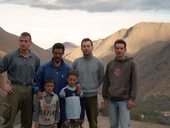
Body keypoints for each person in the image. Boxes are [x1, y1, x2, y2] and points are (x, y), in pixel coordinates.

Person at [0, 32, 40, 128]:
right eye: (21, 41)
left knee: (27, 120)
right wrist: (3, 86)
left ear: (30, 43)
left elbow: (37, 75)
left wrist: (37, 90)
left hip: (29, 90)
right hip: (14, 89)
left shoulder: (35, 58)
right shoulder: (10, 56)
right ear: (19, 42)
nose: (23, 43)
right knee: (8, 118)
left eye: (26, 41)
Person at [33, 43, 71, 128]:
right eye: (55, 53)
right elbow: (35, 82)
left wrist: (78, 84)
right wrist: (37, 91)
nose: (57, 55)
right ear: (52, 52)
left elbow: (73, 81)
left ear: (63, 53)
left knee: (62, 124)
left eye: (60, 53)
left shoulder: (68, 69)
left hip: (63, 103)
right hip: (47, 104)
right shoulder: (44, 67)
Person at [102, 39, 137, 128]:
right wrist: (105, 97)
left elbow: (134, 82)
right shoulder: (110, 64)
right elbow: (106, 81)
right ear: (114, 49)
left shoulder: (131, 64)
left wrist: (132, 99)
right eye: (117, 48)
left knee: (125, 125)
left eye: (121, 48)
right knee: (113, 125)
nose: (119, 50)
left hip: (124, 100)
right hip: (111, 100)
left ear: (125, 49)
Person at [72, 38, 104, 128]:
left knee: (93, 122)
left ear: (92, 47)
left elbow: (101, 77)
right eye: (84, 46)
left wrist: (94, 86)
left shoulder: (98, 62)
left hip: (92, 96)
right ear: (81, 48)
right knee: (76, 121)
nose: (86, 48)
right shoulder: (76, 62)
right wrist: (77, 84)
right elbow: (72, 77)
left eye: (88, 46)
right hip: (78, 96)